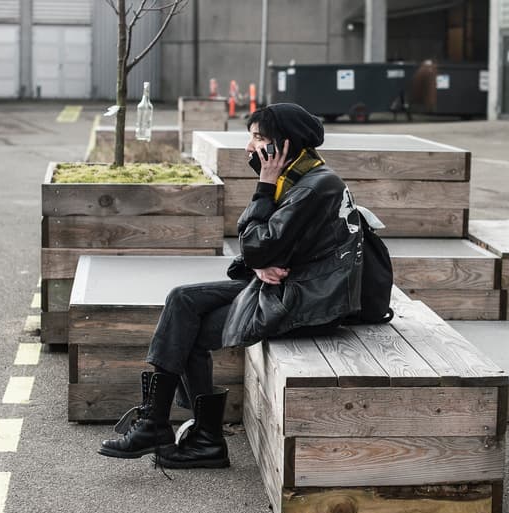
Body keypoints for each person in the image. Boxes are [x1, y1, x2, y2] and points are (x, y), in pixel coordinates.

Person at [98, 103, 363, 469]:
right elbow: (261, 252)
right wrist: (259, 264)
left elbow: (256, 246)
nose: (249, 147)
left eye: (258, 138)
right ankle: (162, 425)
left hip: (307, 301)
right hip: (296, 285)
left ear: (283, 146)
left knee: (187, 329)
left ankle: (189, 435)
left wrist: (263, 188)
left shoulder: (311, 188)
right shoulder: (306, 177)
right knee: (182, 301)